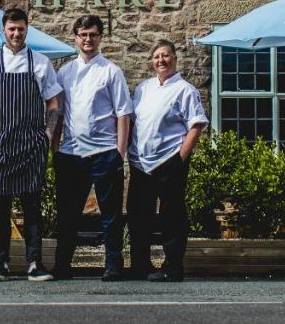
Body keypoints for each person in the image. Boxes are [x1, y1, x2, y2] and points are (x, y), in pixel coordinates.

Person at [0, 7, 62, 282]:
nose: (16, 33)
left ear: (27, 30)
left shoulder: (41, 62)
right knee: (0, 208)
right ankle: (1, 265)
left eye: (20, 29)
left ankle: (34, 263)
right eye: (11, 29)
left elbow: (54, 103)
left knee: (32, 207)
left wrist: (47, 135)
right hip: (0, 143)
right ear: (4, 30)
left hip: (31, 144)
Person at [52, 15, 133, 281]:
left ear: (100, 38)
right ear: (75, 37)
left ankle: (113, 265)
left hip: (104, 153)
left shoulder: (111, 71)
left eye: (93, 35)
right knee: (67, 214)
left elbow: (123, 114)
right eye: (83, 34)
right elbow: (59, 114)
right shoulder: (65, 72)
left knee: (110, 216)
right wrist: (54, 148)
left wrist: (119, 153)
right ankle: (62, 265)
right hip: (71, 154)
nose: (88, 39)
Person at [127, 40, 208, 282]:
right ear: (152, 62)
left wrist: (180, 159)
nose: (161, 60)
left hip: (169, 161)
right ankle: (140, 265)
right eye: (157, 57)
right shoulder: (143, 88)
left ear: (174, 58)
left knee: (171, 217)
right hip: (141, 163)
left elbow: (196, 125)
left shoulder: (185, 90)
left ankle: (173, 267)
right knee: (138, 216)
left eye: (166, 56)